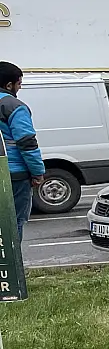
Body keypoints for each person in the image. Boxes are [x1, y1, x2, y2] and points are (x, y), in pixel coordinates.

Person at [0, 62, 44, 243]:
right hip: (13, 175)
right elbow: (26, 143)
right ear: (9, 85)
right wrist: (37, 172)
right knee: (13, 223)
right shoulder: (14, 106)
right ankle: (12, 268)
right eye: (19, 83)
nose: (20, 87)